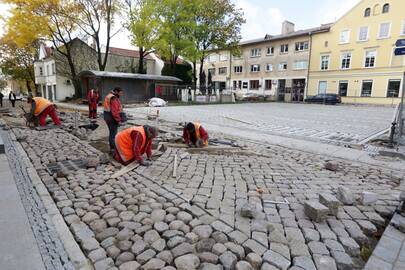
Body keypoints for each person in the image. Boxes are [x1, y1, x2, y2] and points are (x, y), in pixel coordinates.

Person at [103, 87, 124, 152]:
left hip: (107, 117)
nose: (121, 94)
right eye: (120, 93)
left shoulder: (109, 96)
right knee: (113, 135)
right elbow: (114, 111)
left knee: (111, 133)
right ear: (116, 92)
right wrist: (118, 120)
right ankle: (113, 149)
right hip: (112, 119)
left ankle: (112, 148)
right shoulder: (113, 98)